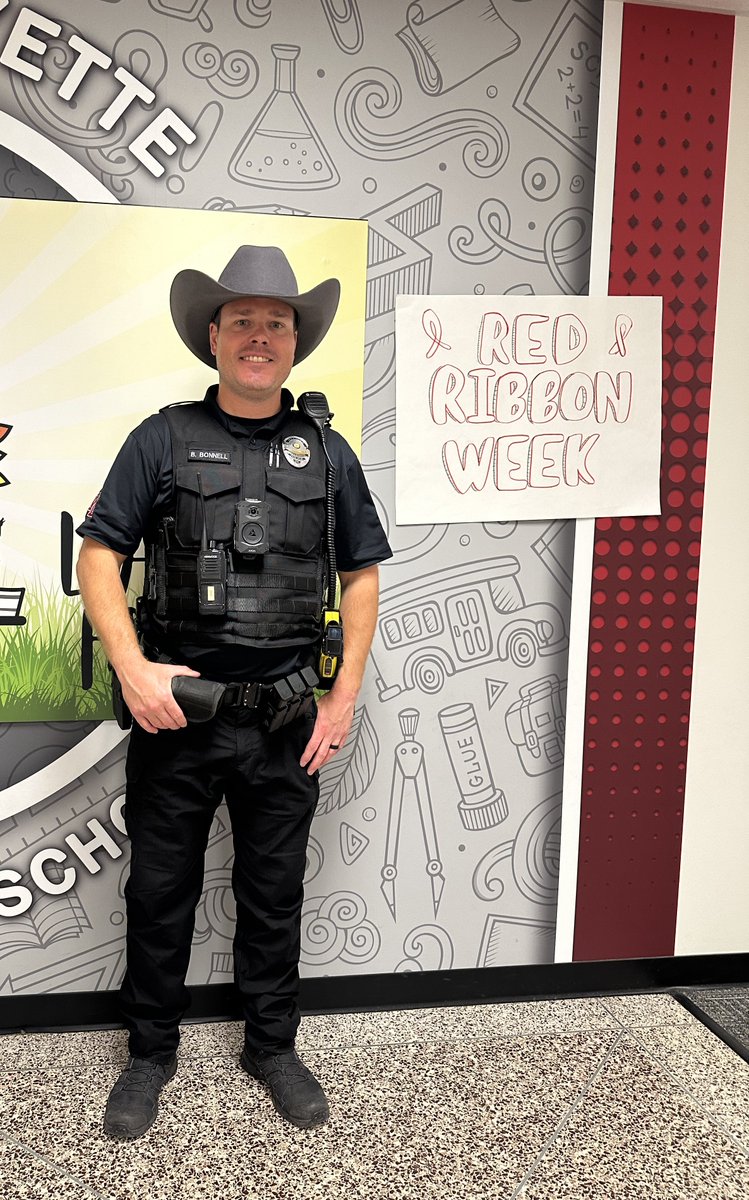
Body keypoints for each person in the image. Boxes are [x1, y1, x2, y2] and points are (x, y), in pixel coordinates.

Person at [76, 244, 391, 1140]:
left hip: (287, 718)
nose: (260, 336)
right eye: (243, 320)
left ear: (294, 342)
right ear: (212, 337)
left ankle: (271, 1047)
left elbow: (360, 574)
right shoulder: (160, 438)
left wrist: (342, 698)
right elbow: (99, 553)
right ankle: (149, 1054)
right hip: (177, 718)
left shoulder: (326, 452)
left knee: (274, 892)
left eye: (276, 323)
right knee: (158, 893)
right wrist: (132, 668)